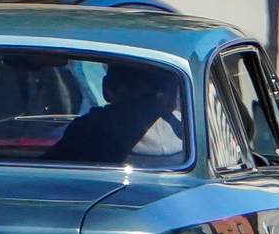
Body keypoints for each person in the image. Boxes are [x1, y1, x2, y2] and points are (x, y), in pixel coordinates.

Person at [42, 63, 181, 165]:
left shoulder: (88, 130)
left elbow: (48, 172)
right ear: (171, 97)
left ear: (106, 88)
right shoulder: (189, 133)